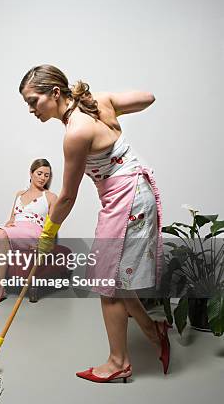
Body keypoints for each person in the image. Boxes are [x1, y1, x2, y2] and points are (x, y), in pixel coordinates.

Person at [19, 64, 169, 382]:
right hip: (134, 190)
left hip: (126, 198)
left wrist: (47, 234)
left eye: (33, 101)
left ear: (55, 93)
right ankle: (153, 329)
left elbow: (68, 196)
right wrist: (110, 104)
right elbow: (149, 97)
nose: (31, 109)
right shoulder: (95, 101)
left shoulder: (76, 132)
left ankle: (118, 363)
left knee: (106, 280)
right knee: (114, 273)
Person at [0, 159, 57, 306]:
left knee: (1, 234)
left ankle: (0, 288)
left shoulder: (51, 197)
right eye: (39, 173)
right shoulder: (20, 194)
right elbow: (12, 218)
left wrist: (47, 243)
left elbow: (52, 225)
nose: (42, 178)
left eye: (46, 175)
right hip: (16, 229)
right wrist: (9, 223)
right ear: (31, 173)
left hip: (34, 232)